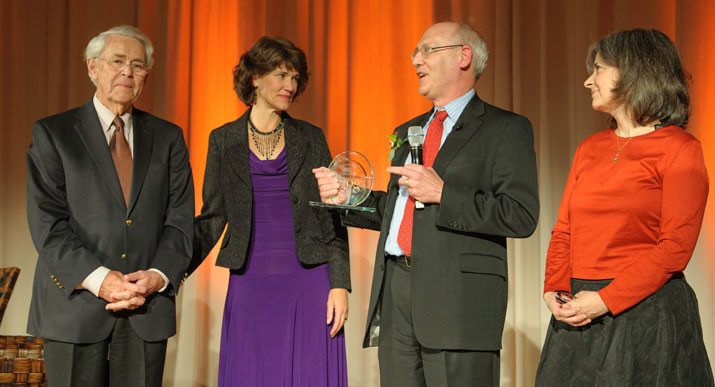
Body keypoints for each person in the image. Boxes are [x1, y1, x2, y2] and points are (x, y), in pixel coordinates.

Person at [314, 22, 539, 386]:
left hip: (459, 303)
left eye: (427, 50)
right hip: (397, 292)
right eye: (414, 53)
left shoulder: (505, 128)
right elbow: (401, 210)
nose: (416, 60)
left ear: (463, 56)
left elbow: (520, 215)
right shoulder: (408, 131)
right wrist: (350, 198)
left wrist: (444, 193)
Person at [536, 29, 714, 386]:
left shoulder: (680, 149)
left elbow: (675, 248)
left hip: (644, 314)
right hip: (579, 313)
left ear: (635, 72)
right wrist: (554, 288)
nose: (588, 81)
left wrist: (605, 299)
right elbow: (564, 229)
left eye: (598, 68)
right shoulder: (590, 147)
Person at [26, 25, 195, 386]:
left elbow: (180, 222)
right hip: (73, 308)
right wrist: (101, 281)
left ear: (146, 76)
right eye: (117, 61)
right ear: (92, 67)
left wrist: (157, 277)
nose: (127, 73)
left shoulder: (168, 138)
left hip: (145, 308)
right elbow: (48, 224)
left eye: (137, 66)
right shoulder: (53, 134)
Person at [190, 36, 349, 386]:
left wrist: (340, 285)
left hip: (310, 280)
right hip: (250, 279)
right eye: (281, 75)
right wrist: (168, 271)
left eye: (295, 79)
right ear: (255, 78)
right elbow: (213, 217)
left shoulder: (311, 136)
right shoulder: (222, 139)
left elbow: (331, 214)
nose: (290, 86)